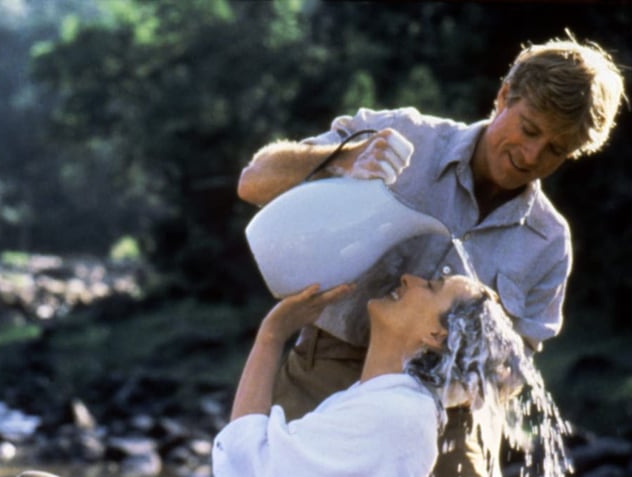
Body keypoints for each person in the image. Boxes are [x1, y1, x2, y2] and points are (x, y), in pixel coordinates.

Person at [236, 34, 625, 475]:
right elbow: (253, 183)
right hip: (329, 368)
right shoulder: (403, 138)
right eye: (530, 129)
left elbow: (514, 369)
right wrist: (342, 161)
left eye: (556, 149)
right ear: (503, 96)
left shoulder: (548, 242)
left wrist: (443, 394)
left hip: (448, 416)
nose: (531, 155)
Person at [212, 274, 526, 477]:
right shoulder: (384, 404)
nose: (409, 278)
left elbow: (249, 464)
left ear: (436, 334)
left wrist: (271, 336)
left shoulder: (394, 414)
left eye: (431, 287)